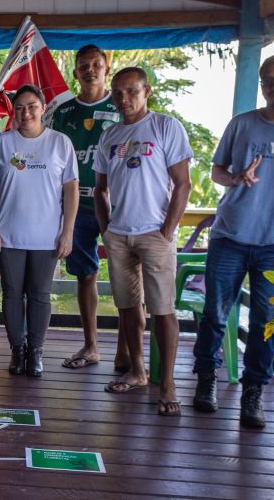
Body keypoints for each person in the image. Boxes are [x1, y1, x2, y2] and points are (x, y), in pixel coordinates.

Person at [192, 54, 274, 428]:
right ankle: (206, 379)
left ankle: (254, 391)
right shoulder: (242, 125)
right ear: (262, 85)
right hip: (230, 236)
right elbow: (217, 171)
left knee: (267, 322)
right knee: (215, 315)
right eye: (268, 81)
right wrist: (237, 179)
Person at [94, 67, 192, 416]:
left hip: (155, 233)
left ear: (146, 90)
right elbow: (100, 190)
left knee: (163, 310)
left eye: (131, 91)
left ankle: (166, 384)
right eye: (118, 92)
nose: (124, 98)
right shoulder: (109, 135)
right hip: (120, 234)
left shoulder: (166, 126)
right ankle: (137, 370)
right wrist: (108, 229)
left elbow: (183, 183)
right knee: (127, 307)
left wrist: (167, 231)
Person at [0, 85, 79, 377]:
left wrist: (67, 231)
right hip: (9, 233)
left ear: (42, 107)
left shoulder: (60, 143)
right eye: (21, 107)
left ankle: (36, 352)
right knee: (12, 294)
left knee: (40, 294)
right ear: (14, 109)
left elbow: (71, 189)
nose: (26, 112)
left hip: (47, 235)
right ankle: (17, 351)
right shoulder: (3, 143)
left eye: (32, 106)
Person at [47, 45, 129, 372]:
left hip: (117, 205)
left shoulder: (123, 107)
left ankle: (126, 350)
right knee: (86, 275)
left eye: (96, 65)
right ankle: (91, 345)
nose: (90, 70)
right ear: (76, 72)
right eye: (84, 66)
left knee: (126, 277)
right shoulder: (63, 112)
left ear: (107, 69)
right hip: (77, 207)